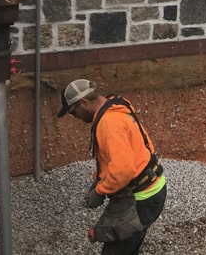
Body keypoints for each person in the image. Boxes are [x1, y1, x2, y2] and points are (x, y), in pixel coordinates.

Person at [58, 78, 168, 254]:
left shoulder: (109, 124)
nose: (76, 118)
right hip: (153, 187)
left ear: (83, 102)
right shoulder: (114, 105)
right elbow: (122, 156)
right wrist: (100, 178)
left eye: (73, 112)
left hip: (141, 198)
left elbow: (123, 171)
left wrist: (100, 191)